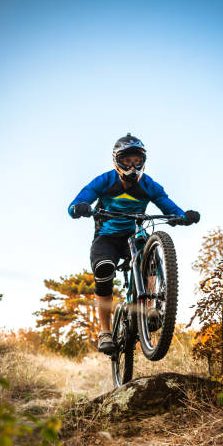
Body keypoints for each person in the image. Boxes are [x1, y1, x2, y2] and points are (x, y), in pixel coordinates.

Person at [68, 133, 200, 354]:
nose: (132, 167)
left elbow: (169, 208)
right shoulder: (104, 181)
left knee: (149, 257)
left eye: (137, 161)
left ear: (143, 162)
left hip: (133, 237)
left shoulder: (149, 185)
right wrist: (79, 207)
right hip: (106, 238)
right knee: (104, 270)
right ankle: (105, 332)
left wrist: (182, 216)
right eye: (127, 161)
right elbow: (77, 202)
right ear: (117, 161)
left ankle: (149, 309)